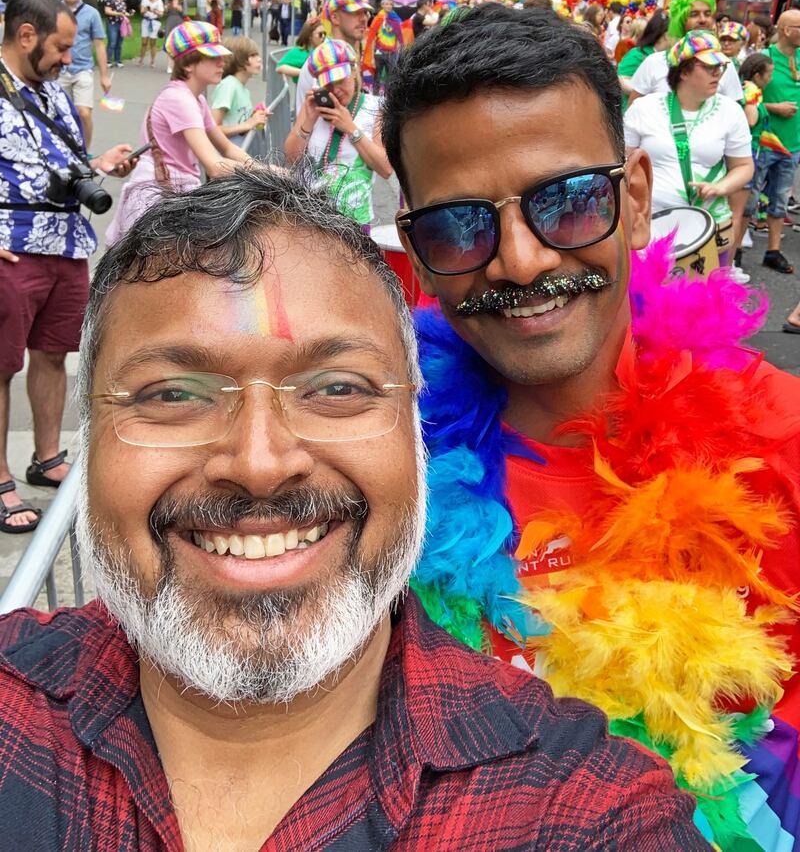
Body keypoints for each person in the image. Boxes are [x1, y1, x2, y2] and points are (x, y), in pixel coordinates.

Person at [0, 164, 708, 850]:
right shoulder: (14, 710)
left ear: (416, 434)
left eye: (337, 388)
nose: (259, 464)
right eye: (172, 395)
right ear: (87, 438)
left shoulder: (587, 809)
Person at [381, 3, 800, 849]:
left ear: (636, 201)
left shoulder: (783, 439)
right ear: (417, 252)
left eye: (566, 203)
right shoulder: (373, 466)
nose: (521, 259)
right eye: (459, 225)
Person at [0, 0, 135, 532]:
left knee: (54, 354)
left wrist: (99, 164)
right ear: (26, 35)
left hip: (65, 245)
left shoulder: (52, 93)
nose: (65, 59)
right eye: (59, 47)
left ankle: (47, 457)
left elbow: (66, 160)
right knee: (1, 369)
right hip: (12, 248)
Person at [105, 22, 250, 245]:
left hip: (171, 196)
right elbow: (214, 165)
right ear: (189, 64)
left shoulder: (196, 99)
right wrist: (269, 174)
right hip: (157, 202)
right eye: (212, 57)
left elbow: (228, 147)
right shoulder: (178, 99)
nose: (222, 62)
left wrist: (264, 168)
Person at [623, 31, 753, 279]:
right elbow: (624, 164)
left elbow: (744, 166)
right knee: (648, 307)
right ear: (683, 71)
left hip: (708, 227)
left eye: (721, 66)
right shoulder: (644, 108)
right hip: (651, 226)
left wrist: (720, 187)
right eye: (709, 66)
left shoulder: (731, 112)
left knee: (704, 309)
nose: (718, 73)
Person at [285, 39, 392, 229]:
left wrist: (350, 128)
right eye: (329, 84)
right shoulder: (314, 106)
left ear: (353, 71)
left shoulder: (376, 108)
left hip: (355, 223)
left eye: (340, 80)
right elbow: (292, 159)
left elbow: (385, 168)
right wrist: (308, 121)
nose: (336, 90)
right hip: (312, 220)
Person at [629, 0, 743, 103]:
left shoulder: (725, 66)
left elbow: (735, 114)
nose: (703, 20)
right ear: (680, 21)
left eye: (707, 14)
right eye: (694, 14)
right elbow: (633, 113)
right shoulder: (654, 63)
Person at [756, 9, 800, 275]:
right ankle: (734, 253)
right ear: (786, 30)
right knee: (749, 202)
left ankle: (772, 252)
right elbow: (744, 98)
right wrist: (774, 107)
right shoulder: (764, 58)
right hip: (765, 142)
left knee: (780, 202)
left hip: (792, 146)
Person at [294, 0, 371, 113]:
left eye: (366, 12)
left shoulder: (355, 54)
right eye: (356, 12)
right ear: (335, 18)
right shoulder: (323, 59)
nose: (363, 19)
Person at [57, 0, 111, 147]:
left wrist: (104, 76)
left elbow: (99, 45)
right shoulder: (53, 10)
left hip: (82, 70)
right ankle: (63, 149)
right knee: (59, 114)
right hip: (57, 71)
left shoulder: (91, 13)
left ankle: (85, 152)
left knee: (84, 113)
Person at [734, 52, 775, 270]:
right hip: (749, 153)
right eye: (769, 74)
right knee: (742, 210)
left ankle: (735, 258)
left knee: (744, 210)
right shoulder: (751, 91)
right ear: (758, 74)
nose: (771, 79)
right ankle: (733, 259)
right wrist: (756, 103)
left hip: (753, 152)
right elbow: (750, 120)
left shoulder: (747, 88)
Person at [210, 36, 268, 141]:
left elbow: (237, 120)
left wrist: (255, 116)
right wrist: (248, 124)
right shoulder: (228, 86)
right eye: (253, 55)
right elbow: (213, 128)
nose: (259, 59)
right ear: (238, 59)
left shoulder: (242, 89)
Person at [617, 9, 671, 105]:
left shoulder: (670, 57)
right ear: (665, 35)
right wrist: (646, 91)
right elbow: (620, 80)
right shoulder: (638, 54)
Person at [275, 15, 325, 81]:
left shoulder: (324, 50)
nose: (323, 36)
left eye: (325, 33)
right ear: (310, 36)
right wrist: (303, 73)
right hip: (304, 89)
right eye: (320, 34)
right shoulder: (299, 51)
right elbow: (280, 67)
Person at [103, 0, 131, 70]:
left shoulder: (122, 2)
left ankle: (118, 60)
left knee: (119, 43)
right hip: (112, 24)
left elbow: (124, 12)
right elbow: (107, 11)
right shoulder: (111, 0)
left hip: (121, 24)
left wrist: (128, 14)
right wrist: (118, 13)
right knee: (112, 42)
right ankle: (107, 61)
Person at [162, 0, 188, 77]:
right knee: (169, 42)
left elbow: (185, 13)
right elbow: (164, 13)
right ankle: (170, 65)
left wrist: (179, 8)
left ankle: (178, 65)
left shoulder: (183, 0)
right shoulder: (168, 0)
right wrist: (166, 8)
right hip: (170, 20)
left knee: (179, 43)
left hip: (179, 21)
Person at [138, 0, 164, 68]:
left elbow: (161, 14)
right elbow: (141, 11)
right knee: (144, 42)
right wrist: (146, 9)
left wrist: (153, 10)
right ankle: (141, 59)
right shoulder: (145, 0)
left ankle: (153, 60)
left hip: (155, 22)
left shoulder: (159, 1)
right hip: (146, 21)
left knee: (153, 42)